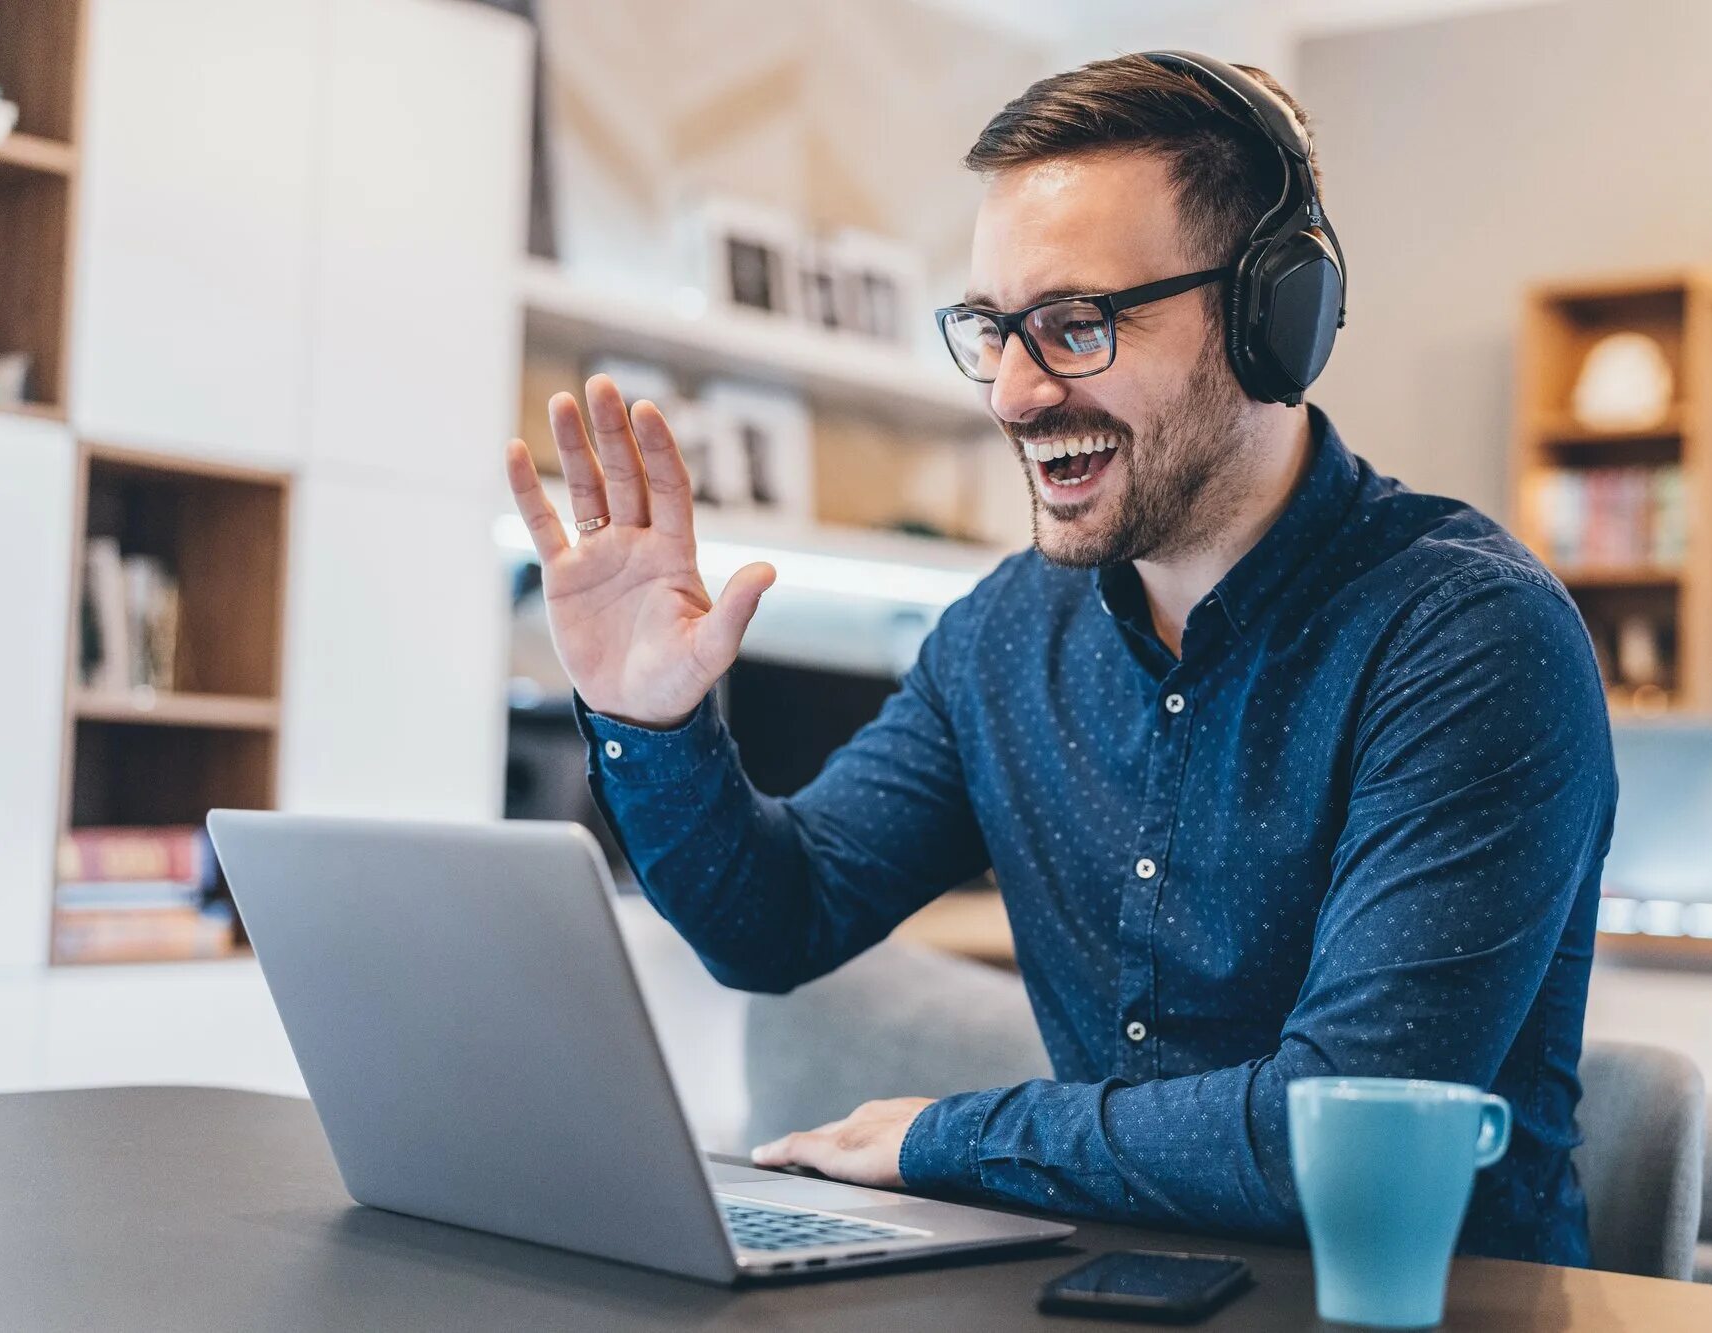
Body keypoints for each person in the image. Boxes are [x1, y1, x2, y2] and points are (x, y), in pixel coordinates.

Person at [502, 53, 1616, 1266]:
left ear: (1269, 319)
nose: (1016, 395)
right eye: (991, 330)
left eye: (1076, 326)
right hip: (1105, 1288)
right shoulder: (1003, 635)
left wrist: (946, 1137)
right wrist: (649, 722)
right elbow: (777, 922)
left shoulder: (1469, 639)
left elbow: (1334, 1127)